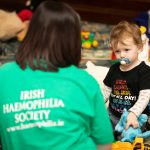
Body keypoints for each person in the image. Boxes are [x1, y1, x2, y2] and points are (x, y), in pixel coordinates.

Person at [0, 1, 114, 150]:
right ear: (73, 41)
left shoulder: (3, 75)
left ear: (31, 33)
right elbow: (104, 145)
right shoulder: (85, 81)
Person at [103, 21, 150, 132]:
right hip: (112, 116)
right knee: (98, 132)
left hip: (135, 117)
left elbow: (145, 97)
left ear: (139, 48)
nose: (122, 55)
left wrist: (133, 113)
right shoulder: (114, 69)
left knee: (130, 137)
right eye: (117, 51)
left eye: (126, 50)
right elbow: (105, 91)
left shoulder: (145, 71)